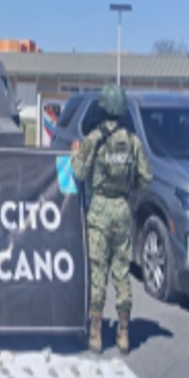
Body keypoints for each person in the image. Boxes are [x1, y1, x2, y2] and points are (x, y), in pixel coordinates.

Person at [70, 85, 152, 355]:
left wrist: (74, 153)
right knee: (121, 274)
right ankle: (124, 333)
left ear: (104, 108)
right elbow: (145, 179)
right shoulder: (133, 142)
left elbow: (80, 173)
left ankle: (95, 333)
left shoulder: (94, 139)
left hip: (99, 211)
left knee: (98, 274)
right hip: (122, 211)